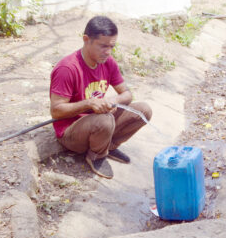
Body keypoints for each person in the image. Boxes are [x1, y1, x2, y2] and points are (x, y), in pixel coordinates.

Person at [49, 16, 152, 179]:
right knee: (105, 120)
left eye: (112, 46)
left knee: (143, 110)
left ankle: (109, 146)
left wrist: (113, 101)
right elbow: (56, 111)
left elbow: (127, 94)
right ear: (86, 40)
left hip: (98, 122)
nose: (108, 52)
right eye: (103, 46)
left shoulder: (107, 62)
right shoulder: (67, 68)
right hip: (71, 133)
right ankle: (96, 155)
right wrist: (89, 103)